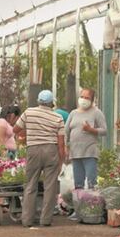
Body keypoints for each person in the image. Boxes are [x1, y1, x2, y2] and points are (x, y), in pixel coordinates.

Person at [14, 90, 66, 228]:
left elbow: (16, 129)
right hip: (51, 151)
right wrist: (61, 160)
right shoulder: (58, 118)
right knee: (50, 186)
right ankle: (46, 220)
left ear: (38, 101)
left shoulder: (29, 113)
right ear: (52, 103)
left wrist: (28, 133)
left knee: (30, 184)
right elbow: (61, 144)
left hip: (33, 150)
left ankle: (27, 220)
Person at [65, 88, 108, 190]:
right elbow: (65, 131)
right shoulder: (73, 113)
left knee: (92, 182)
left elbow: (104, 130)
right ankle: (79, 199)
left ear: (92, 100)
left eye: (87, 98)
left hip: (89, 152)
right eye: (82, 97)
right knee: (78, 184)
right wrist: (65, 146)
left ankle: (92, 199)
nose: (83, 100)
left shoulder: (96, 112)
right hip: (75, 153)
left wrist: (90, 130)